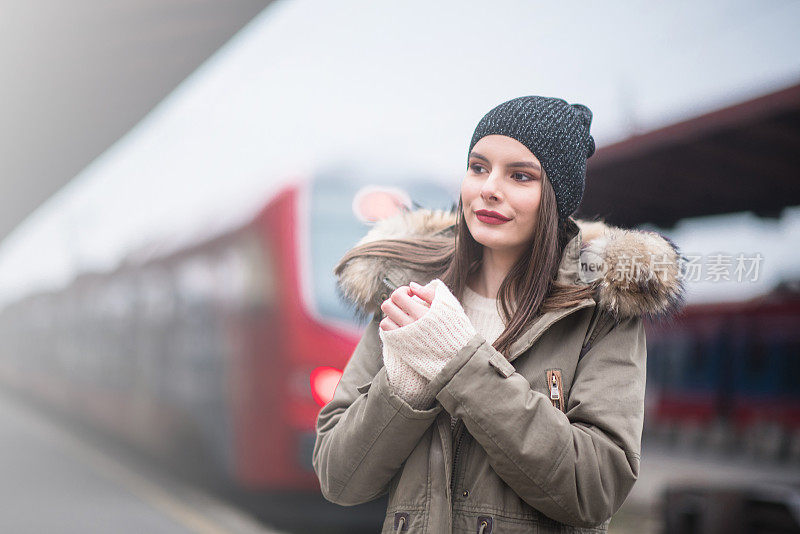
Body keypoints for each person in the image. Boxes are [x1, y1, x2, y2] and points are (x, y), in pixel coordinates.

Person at [313, 96, 686, 533]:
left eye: (520, 176)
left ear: (554, 198)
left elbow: (594, 489)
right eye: (478, 167)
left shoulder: (600, 309)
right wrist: (403, 388)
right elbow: (338, 479)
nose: (489, 187)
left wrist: (462, 363)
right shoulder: (410, 294)